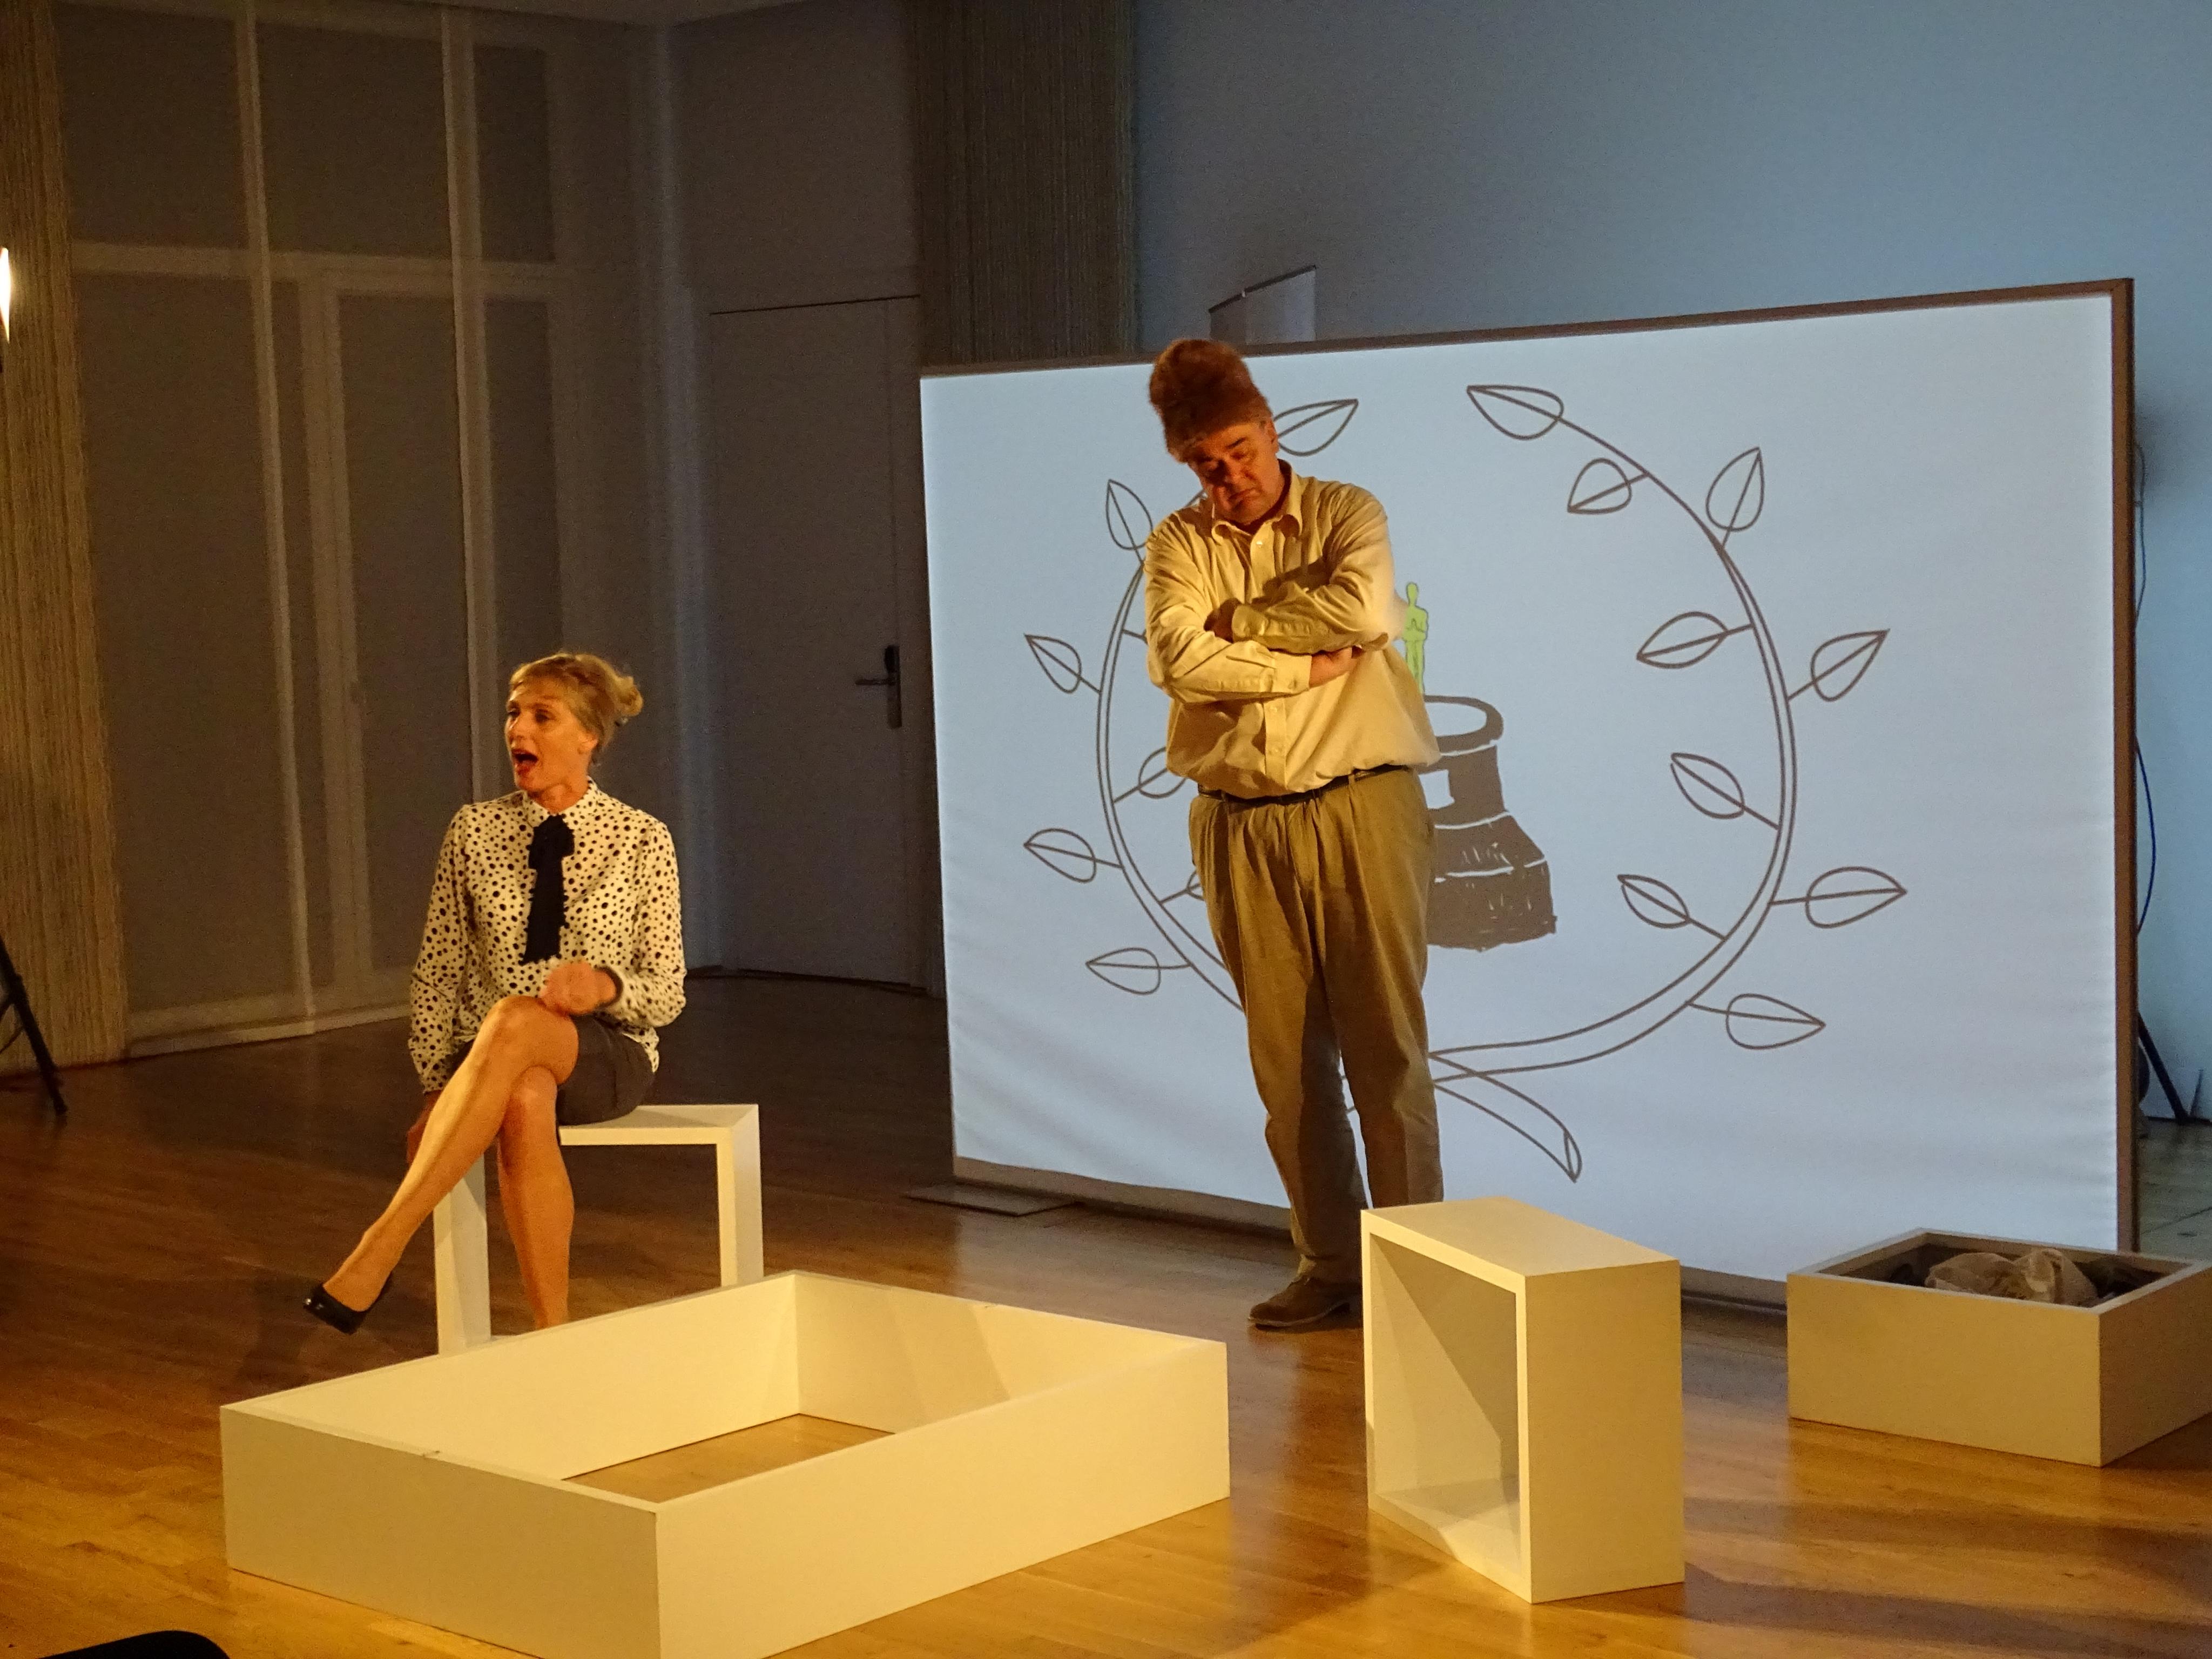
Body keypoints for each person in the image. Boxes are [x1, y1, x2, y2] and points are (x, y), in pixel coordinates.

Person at [1142, 339, 1444, 1331]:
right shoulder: (1177, 543)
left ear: (1270, 429)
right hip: (1237, 821)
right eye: (1202, 463)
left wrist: (1239, 621)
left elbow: (1364, 609)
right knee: (1288, 1068)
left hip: (1362, 802)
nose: (1225, 475)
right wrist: (1304, 664)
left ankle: (1416, 1276)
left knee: (1386, 1052)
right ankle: (1330, 1263)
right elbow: (1176, 661)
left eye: (1237, 450)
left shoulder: (1347, 511)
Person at [306, 652, 686, 1334]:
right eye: (514, 714)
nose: (519, 730)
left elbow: (667, 993)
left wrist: (605, 986)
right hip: (493, 1059)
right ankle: (552, 1334)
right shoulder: (473, 831)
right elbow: (438, 969)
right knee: (523, 1093)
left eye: (542, 716)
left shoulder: (640, 839)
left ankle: (382, 1244)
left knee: (514, 1017)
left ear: (588, 736)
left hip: (604, 1054)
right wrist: (436, 1087)